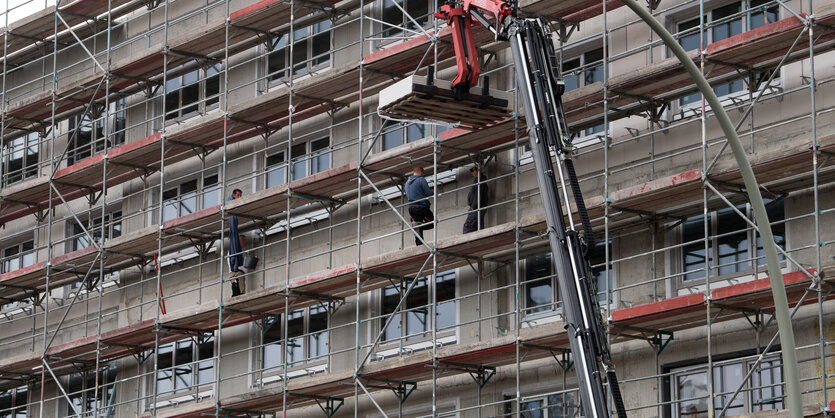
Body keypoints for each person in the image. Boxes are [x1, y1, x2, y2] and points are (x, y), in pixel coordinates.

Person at [405, 166, 434, 246]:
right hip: (422, 207)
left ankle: (419, 244)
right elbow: (428, 193)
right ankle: (419, 225)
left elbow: (407, 194)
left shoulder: (407, 183)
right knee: (432, 223)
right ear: (421, 172)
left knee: (417, 227)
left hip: (411, 208)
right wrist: (433, 193)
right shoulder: (421, 180)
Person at [227, 188, 247, 296]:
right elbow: (234, 263)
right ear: (234, 195)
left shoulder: (237, 249)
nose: (239, 197)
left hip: (237, 273)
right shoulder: (234, 248)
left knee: (238, 291)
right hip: (236, 273)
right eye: (238, 195)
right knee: (240, 293)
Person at [463, 166, 488, 233]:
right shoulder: (481, 180)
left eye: (472, 170)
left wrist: (473, 207)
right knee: (478, 227)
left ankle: (467, 242)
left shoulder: (479, 180)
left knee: (467, 227)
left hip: (477, 207)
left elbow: (478, 194)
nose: (472, 173)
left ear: (477, 171)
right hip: (478, 207)